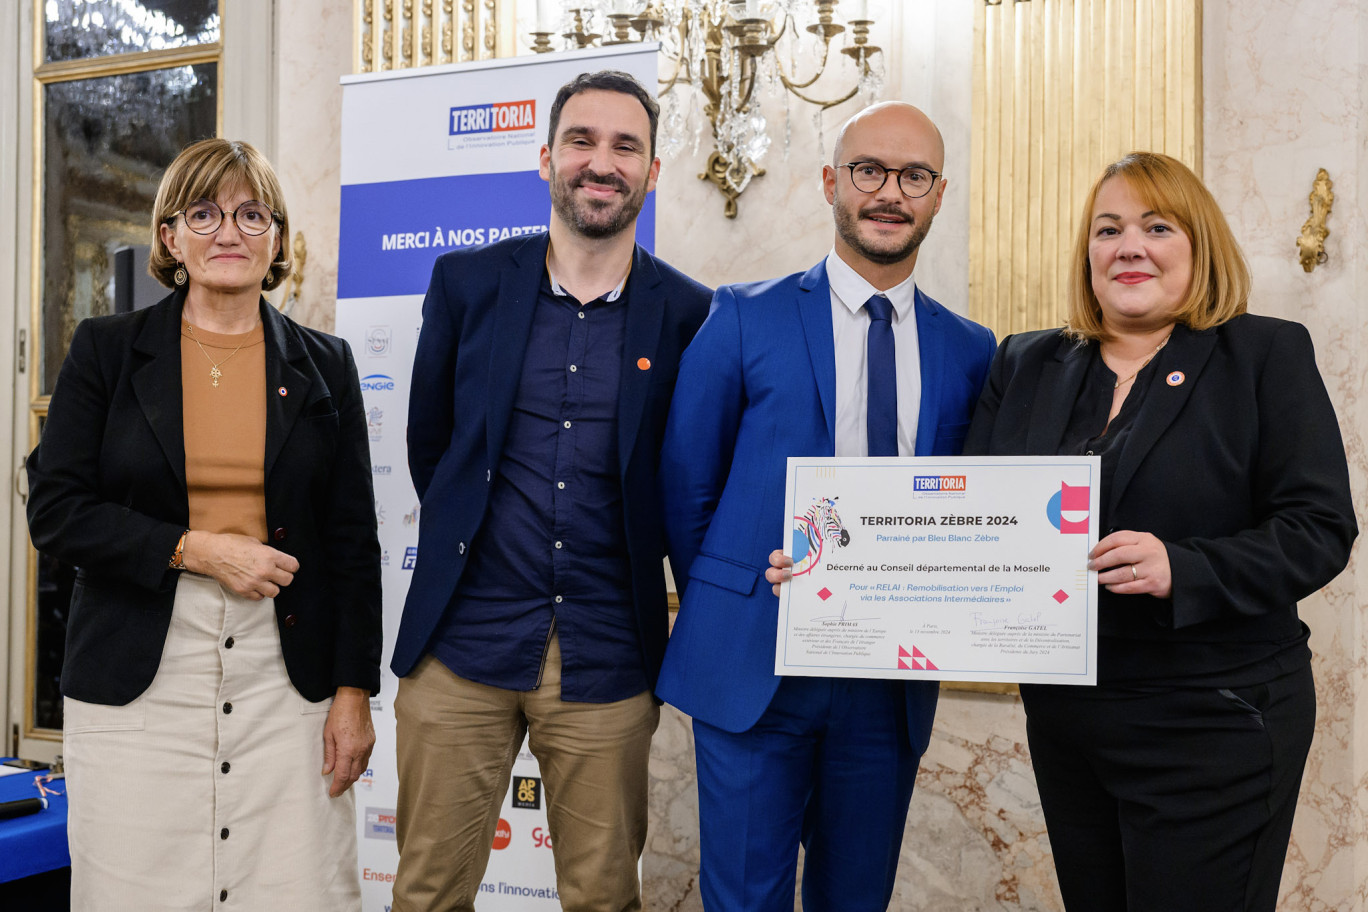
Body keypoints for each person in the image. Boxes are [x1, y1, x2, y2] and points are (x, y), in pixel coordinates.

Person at [959, 151, 1357, 911]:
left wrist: (1187, 567)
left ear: (1199, 246)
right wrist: (832, 570)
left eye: (1156, 226)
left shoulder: (1264, 354)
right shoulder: (1026, 361)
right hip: (1071, 722)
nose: (1128, 245)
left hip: (1215, 719)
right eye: (1108, 229)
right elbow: (968, 518)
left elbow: (1319, 528)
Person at [26, 138, 382, 909]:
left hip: (287, 674)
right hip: (138, 665)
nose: (230, 232)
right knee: (136, 882)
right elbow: (54, 510)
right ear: (170, 237)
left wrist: (354, 693)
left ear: (278, 239)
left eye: (253, 215)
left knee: (292, 884)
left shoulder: (327, 365)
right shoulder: (106, 352)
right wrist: (193, 550)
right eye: (206, 213)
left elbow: (353, 540)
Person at [658, 102, 996, 911]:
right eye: (868, 170)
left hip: (890, 682)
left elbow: (975, 504)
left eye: (913, 176)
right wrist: (740, 581)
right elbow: (685, 484)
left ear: (940, 194)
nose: (890, 192)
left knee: (857, 898)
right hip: (755, 669)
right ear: (829, 182)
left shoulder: (973, 349)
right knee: (745, 899)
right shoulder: (742, 315)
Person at [389, 69, 711, 912]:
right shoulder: (466, 286)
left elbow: (686, 479)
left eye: (625, 146)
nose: (601, 163)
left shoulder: (688, 313)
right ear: (545, 158)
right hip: (463, 641)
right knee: (425, 893)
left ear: (650, 172)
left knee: (604, 897)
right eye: (582, 140)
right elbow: (434, 449)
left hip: (607, 652)